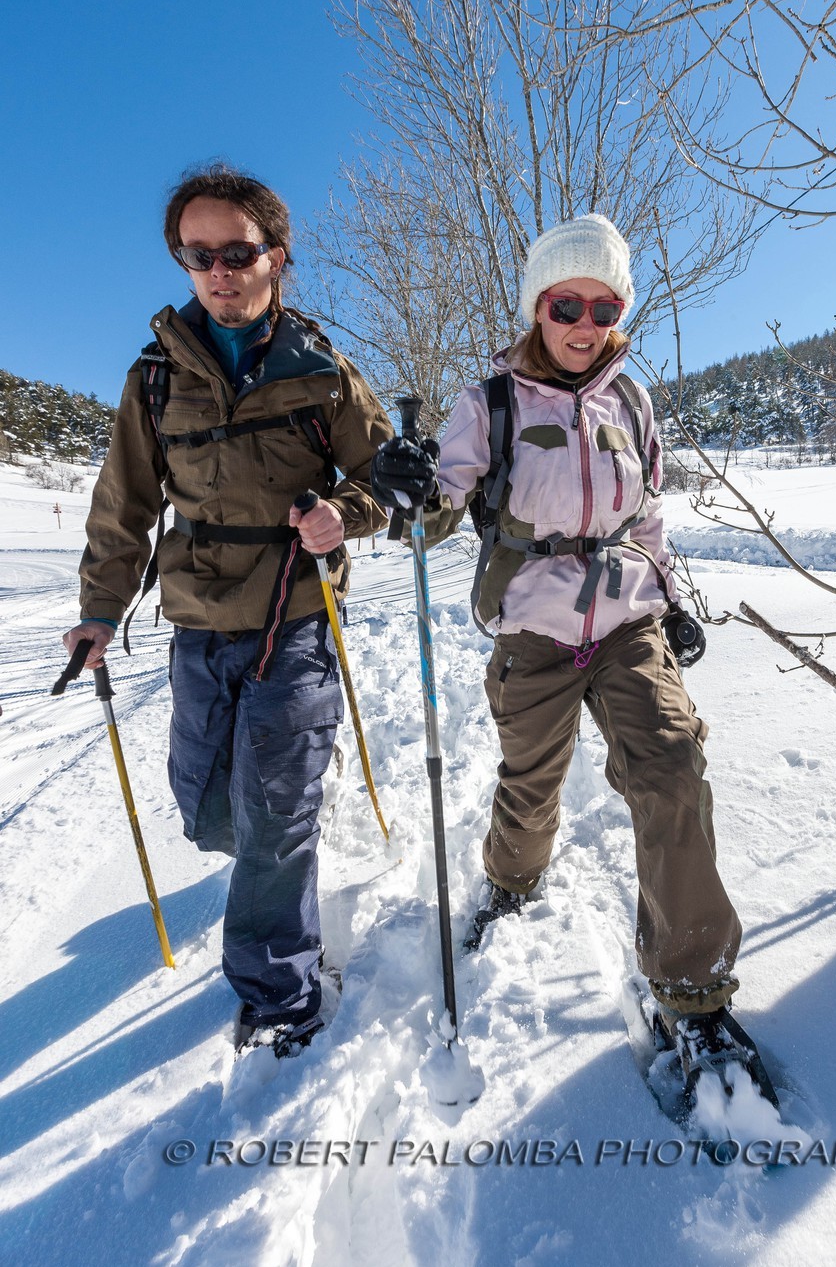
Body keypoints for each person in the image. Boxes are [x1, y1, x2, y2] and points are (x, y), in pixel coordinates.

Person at [370, 213, 747, 1077]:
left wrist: (673, 599)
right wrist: (409, 488)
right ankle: (510, 880)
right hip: (533, 628)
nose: (585, 324)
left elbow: (646, 516)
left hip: (626, 622)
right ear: (538, 306)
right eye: (566, 304)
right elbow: (432, 508)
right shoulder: (489, 402)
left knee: (672, 770)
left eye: (603, 308)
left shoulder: (632, 401)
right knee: (530, 781)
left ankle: (694, 994)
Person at [63, 164, 391, 1057]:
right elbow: (123, 504)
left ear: (274, 256)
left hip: (296, 617)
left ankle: (280, 994)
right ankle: (261, 861)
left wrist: (344, 515)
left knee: (275, 812)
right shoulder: (156, 378)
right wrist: (99, 609)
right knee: (208, 808)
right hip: (198, 622)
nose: (218, 270)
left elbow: (387, 480)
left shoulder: (323, 372)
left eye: (236, 252)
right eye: (197, 254)